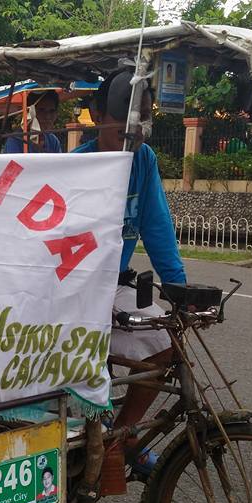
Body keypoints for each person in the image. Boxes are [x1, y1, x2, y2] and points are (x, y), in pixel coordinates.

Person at [72, 70, 186, 478]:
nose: (131, 138)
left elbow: (157, 226)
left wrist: (179, 288)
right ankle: (92, 435)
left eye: (139, 128)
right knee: (86, 368)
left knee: (165, 344)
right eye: (122, 129)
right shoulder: (74, 167)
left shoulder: (144, 159)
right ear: (96, 115)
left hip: (113, 286)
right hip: (71, 292)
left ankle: (123, 434)